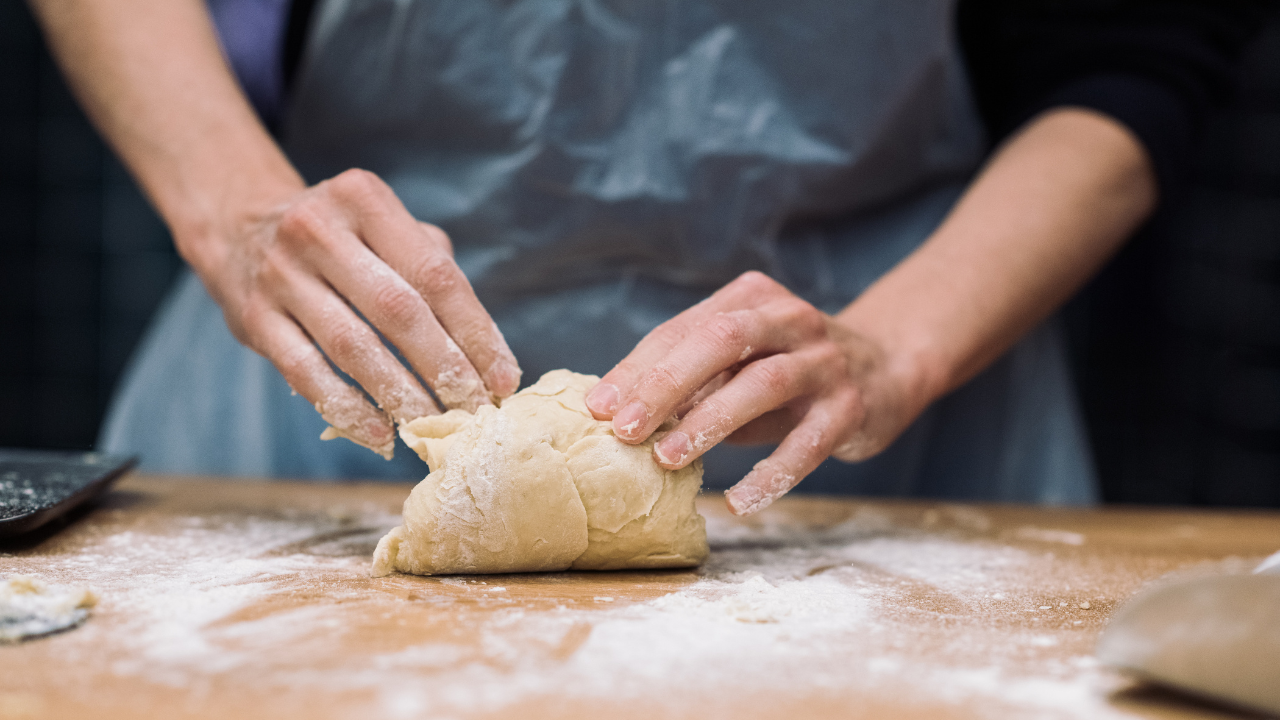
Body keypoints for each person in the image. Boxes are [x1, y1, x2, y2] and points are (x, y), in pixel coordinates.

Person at [30, 0, 1271, 513]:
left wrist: (895, 345)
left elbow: (1139, 51)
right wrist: (231, 208)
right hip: (330, 388)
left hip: (874, 427)